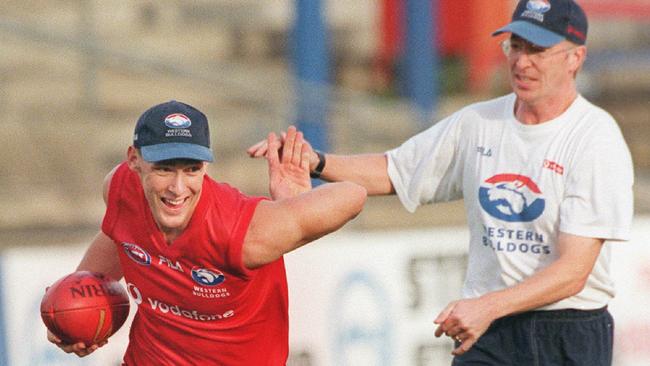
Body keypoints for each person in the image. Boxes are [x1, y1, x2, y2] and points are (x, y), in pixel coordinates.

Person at [248, 1, 634, 365]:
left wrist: (488, 306)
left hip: (564, 329)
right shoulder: (479, 122)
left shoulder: (594, 138)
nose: (522, 61)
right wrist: (315, 162)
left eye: (538, 50)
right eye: (515, 46)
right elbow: (394, 170)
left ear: (575, 58)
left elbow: (573, 271)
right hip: (489, 329)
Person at [46, 100, 367, 365]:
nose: (177, 187)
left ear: (206, 167)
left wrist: (298, 199)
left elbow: (353, 194)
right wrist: (76, 309)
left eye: (191, 169)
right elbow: (120, 235)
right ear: (134, 160)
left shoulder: (244, 232)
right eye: (163, 168)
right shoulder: (120, 189)